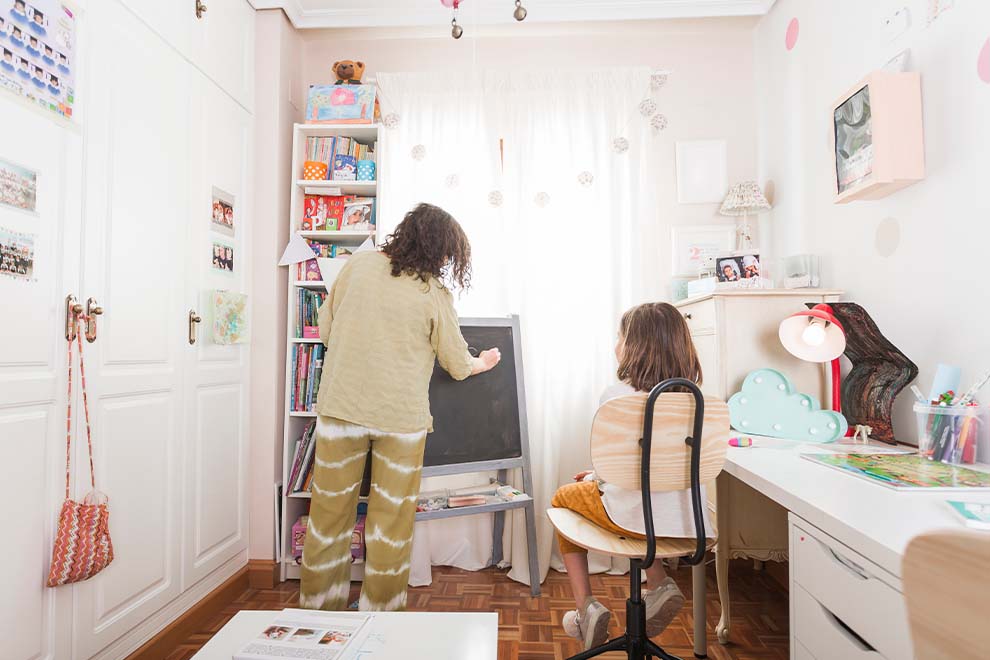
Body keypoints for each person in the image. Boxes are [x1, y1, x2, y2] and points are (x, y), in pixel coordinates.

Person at [300, 202, 501, 613]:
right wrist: (483, 362)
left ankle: (319, 614)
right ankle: (380, 615)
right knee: (389, 523)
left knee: (328, 519)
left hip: (342, 409)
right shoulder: (433, 291)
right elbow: (457, 363)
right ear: (438, 251)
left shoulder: (358, 267)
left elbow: (326, 328)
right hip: (400, 421)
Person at [551, 302, 708, 651]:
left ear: (635, 345)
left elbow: (614, 468)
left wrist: (595, 477)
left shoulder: (617, 398)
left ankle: (584, 609)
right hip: (687, 520)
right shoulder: (698, 400)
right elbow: (654, 465)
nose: (615, 343)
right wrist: (599, 476)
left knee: (564, 498)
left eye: (619, 336)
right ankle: (660, 582)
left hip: (633, 517)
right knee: (632, 504)